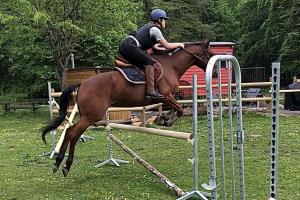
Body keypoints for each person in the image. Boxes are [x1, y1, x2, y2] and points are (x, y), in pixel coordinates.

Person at [118, 9, 185, 99]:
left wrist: (159, 47)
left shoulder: (150, 27)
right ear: (159, 20)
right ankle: (151, 91)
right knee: (149, 62)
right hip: (130, 46)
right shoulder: (155, 30)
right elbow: (167, 45)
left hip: (127, 46)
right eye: (164, 19)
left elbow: (156, 47)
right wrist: (179, 44)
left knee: (144, 61)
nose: (165, 22)